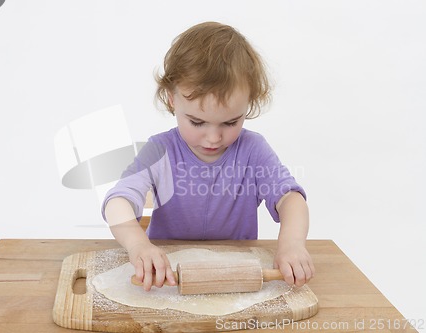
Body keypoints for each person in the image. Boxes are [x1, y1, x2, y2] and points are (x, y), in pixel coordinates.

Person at [102, 21, 314, 292]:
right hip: (168, 279)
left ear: (248, 103)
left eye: (230, 122)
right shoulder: (159, 150)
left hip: (236, 277)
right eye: (197, 122)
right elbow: (117, 201)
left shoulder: (253, 150)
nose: (213, 138)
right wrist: (138, 245)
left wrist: (292, 245)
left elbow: (291, 200)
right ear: (171, 99)